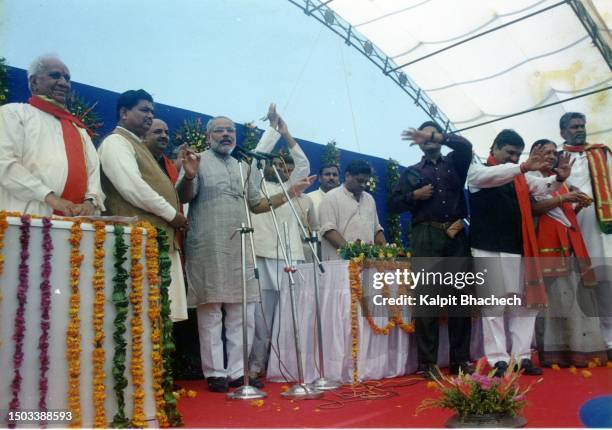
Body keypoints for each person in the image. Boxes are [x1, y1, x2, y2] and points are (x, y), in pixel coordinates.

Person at [176, 111, 314, 393]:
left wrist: (288, 194)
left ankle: (238, 372)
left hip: (241, 244)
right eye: (219, 131)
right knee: (211, 309)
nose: (226, 135)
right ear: (208, 136)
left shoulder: (244, 165)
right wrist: (189, 177)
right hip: (208, 245)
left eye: (230, 131)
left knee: (243, 312)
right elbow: (183, 196)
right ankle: (215, 373)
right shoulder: (197, 161)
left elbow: (256, 203)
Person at [467, 129, 573, 376]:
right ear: (494, 148)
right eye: (509, 153)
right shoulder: (477, 171)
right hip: (487, 247)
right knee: (493, 306)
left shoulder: (520, 177)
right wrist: (523, 166)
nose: (513, 159)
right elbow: (496, 175)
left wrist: (558, 179)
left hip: (517, 246)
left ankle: (522, 356)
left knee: (522, 305)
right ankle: (497, 360)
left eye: (517, 155)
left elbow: (541, 187)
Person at [389, 121, 473, 376]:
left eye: (432, 135)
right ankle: (428, 363)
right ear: (418, 143)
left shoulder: (456, 163)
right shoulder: (412, 173)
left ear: (438, 137)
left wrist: (438, 135)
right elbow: (392, 204)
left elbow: (466, 146)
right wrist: (413, 197)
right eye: (423, 136)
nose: (428, 139)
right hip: (425, 234)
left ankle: (460, 361)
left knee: (461, 299)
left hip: (456, 233)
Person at [98, 90, 188, 322]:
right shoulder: (116, 142)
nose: (150, 115)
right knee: (137, 317)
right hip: (134, 243)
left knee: (157, 316)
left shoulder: (137, 146)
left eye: (152, 111)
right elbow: (132, 187)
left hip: (154, 242)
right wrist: (172, 215)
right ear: (124, 112)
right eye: (144, 110)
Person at [527, 139, 606, 367]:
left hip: (569, 243)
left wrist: (578, 203)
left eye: (554, 153)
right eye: (545, 152)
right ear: (533, 153)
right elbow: (533, 208)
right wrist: (563, 198)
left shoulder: (560, 179)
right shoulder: (528, 178)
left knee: (572, 300)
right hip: (544, 246)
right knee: (550, 302)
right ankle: (551, 354)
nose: (551, 157)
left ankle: (577, 351)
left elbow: (563, 211)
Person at [248, 115, 311, 380]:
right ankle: (255, 366)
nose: (278, 167)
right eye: (272, 163)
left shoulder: (291, 186)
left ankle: (285, 365)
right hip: (262, 254)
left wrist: (286, 134)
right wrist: (271, 133)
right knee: (261, 318)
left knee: (290, 315)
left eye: (282, 164)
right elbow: (253, 161)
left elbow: (304, 164)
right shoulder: (254, 185)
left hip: (289, 254)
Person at [0, 55, 104, 215]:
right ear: (34, 82)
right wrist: (52, 199)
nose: (64, 83)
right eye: (55, 75)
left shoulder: (79, 129)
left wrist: (90, 202)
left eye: (67, 78)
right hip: (25, 221)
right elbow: (5, 164)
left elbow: (93, 172)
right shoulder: (13, 113)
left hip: (77, 224)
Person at [560, 112, 612, 361]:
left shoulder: (602, 153)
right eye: (574, 127)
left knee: (605, 284)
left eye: (582, 125)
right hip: (570, 230)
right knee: (574, 285)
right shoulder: (556, 158)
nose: (579, 129)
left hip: (603, 229)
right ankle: (579, 344)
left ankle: (609, 340)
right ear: (563, 132)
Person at [319, 160, 385, 260]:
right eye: (360, 181)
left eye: (366, 182)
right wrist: (353, 254)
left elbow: (377, 229)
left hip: (368, 263)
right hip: (340, 262)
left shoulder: (369, 199)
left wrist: (383, 252)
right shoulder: (331, 197)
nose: (363, 185)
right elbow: (329, 231)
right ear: (347, 176)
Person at [143, 118, 179, 184]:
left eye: (167, 133)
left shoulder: (171, 167)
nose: (164, 136)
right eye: (158, 132)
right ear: (144, 137)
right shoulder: (136, 158)